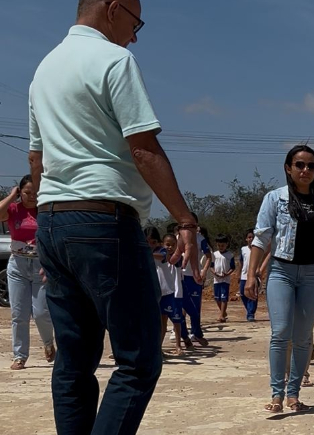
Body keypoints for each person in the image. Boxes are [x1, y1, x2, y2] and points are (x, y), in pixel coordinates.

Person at [28, 1, 202, 432]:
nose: (136, 34)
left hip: (53, 217)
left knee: (74, 361)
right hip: (103, 220)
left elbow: (37, 159)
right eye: (135, 21)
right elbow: (142, 149)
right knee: (140, 359)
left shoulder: (43, 70)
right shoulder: (115, 60)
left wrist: (48, 223)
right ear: (111, 9)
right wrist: (185, 220)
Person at [243, 143, 314, 413]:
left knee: (303, 335)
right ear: (288, 168)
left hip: (312, 273)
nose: (305, 170)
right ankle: (276, 394)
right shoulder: (274, 199)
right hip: (281, 271)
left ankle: (294, 394)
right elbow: (261, 239)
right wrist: (251, 275)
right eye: (299, 165)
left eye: (311, 165)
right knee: (281, 332)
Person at [0, 175, 55, 370]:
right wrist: (11, 195)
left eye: (35, 193)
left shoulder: (45, 211)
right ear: (20, 192)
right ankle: (20, 356)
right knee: (19, 314)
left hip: (40, 265)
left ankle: (49, 343)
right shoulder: (14, 209)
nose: (31, 196)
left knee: (41, 312)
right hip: (18, 266)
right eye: (26, 192)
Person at [145, 228, 184, 357]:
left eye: (153, 242)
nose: (150, 245)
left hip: (166, 292)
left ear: (159, 242)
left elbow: (163, 257)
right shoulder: (142, 253)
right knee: (154, 323)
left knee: (165, 322)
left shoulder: (161, 252)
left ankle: (164, 348)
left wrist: (144, 252)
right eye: (147, 242)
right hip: (150, 293)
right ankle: (155, 349)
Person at [181, 213, 212, 347]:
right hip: (181, 276)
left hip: (195, 276)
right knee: (179, 305)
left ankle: (196, 333)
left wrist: (204, 271)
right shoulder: (178, 238)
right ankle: (182, 333)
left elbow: (209, 256)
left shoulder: (201, 239)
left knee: (195, 307)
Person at [210, 234, 235, 323]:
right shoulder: (214, 254)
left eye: (223, 245)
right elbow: (211, 266)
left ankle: (221, 315)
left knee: (224, 297)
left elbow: (233, 267)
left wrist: (227, 274)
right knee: (217, 298)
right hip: (216, 280)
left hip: (225, 280)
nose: (221, 247)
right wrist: (214, 273)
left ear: (227, 244)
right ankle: (223, 312)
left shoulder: (230, 255)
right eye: (219, 245)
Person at [238, 230, 257, 322]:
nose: (251, 239)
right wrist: (238, 274)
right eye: (249, 237)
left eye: (252, 237)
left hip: (254, 275)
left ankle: (250, 313)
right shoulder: (243, 249)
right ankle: (249, 309)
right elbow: (241, 262)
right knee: (243, 293)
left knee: (252, 294)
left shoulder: (258, 249)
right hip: (244, 275)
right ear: (246, 239)